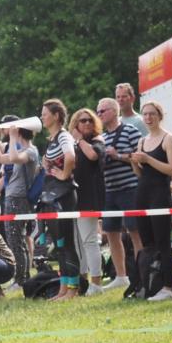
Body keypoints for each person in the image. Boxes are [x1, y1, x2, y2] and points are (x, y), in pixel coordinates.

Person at [131, 101, 172, 301]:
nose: (148, 118)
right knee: (147, 243)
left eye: (152, 114)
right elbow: (140, 173)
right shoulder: (142, 141)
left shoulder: (169, 139)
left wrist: (149, 160)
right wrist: (135, 162)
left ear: (160, 116)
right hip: (142, 192)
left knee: (163, 241)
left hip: (160, 193)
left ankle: (169, 287)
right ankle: (152, 283)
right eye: (145, 114)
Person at [97, 97, 144, 289]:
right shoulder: (100, 137)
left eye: (102, 111)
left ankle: (142, 272)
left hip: (130, 188)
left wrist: (118, 156)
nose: (99, 115)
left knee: (135, 231)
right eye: (98, 111)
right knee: (111, 232)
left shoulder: (130, 131)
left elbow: (140, 157)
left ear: (114, 111)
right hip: (109, 190)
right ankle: (121, 276)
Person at [0, 121, 39, 293]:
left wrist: (11, 136)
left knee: (16, 240)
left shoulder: (31, 151)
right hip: (12, 197)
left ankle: (21, 279)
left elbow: (14, 158)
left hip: (19, 199)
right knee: (15, 240)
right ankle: (22, 277)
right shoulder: (20, 150)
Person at [39, 99, 80, 299]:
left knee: (67, 243)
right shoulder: (51, 139)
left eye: (45, 113)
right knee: (59, 245)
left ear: (56, 116)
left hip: (63, 196)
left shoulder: (64, 136)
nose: (42, 116)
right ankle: (63, 288)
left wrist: (63, 174)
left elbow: (71, 157)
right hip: (52, 196)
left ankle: (73, 288)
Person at [68, 108, 106, 295]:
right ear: (75, 124)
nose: (87, 124)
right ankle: (82, 280)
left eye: (90, 120)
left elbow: (93, 156)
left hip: (89, 198)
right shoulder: (72, 144)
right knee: (77, 242)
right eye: (83, 121)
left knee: (90, 240)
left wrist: (79, 140)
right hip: (73, 197)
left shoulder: (97, 140)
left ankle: (97, 283)